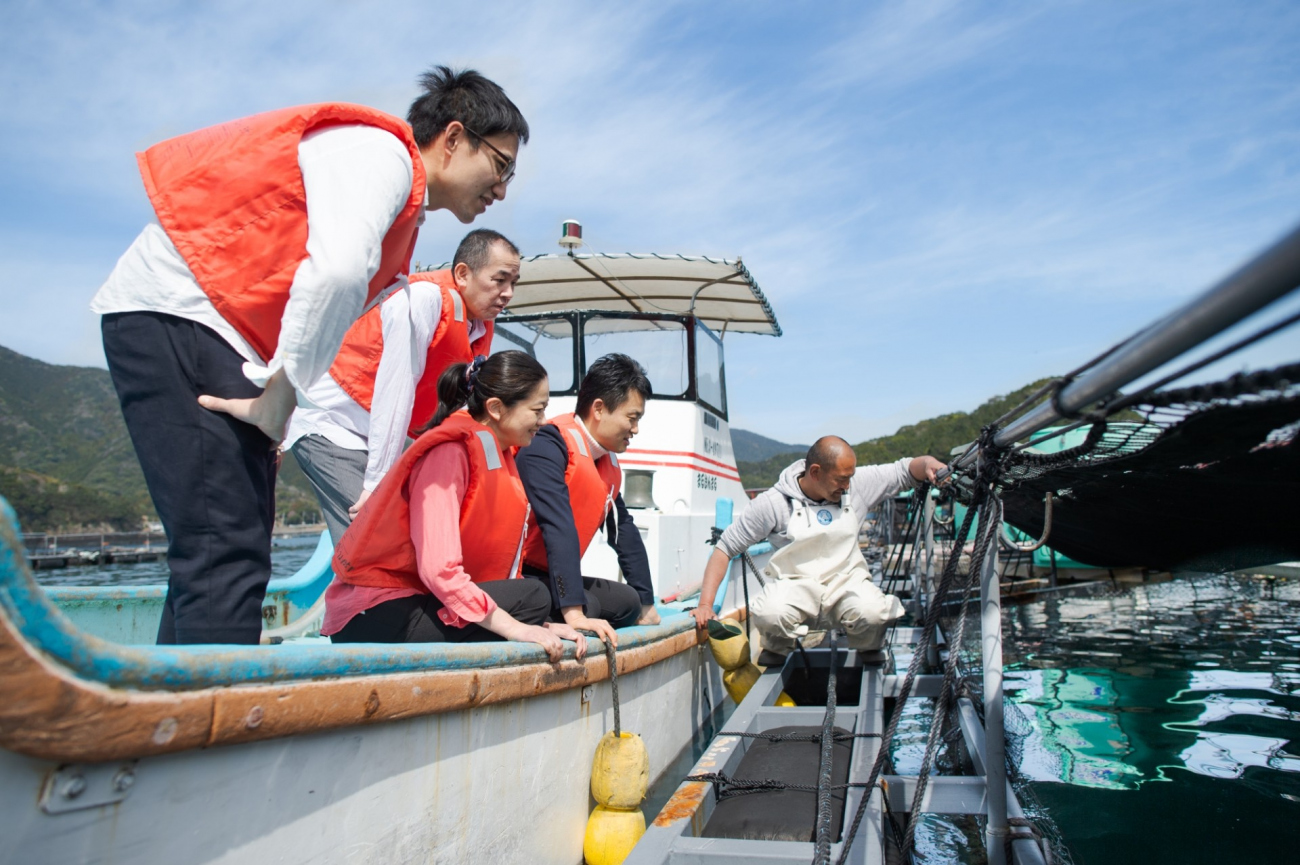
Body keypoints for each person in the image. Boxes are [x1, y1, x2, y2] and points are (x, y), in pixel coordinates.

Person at [91, 66, 528, 644]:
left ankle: (175, 718)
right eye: (500, 166)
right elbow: (340, 271)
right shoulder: (384, 158)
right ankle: (211, 725)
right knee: (226, 548)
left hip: (219, 333)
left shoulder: (407, 213)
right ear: (452, 139)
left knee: (225, 547)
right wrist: (282, 396)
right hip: (186, 311)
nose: (501, 190)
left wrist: (279, 404)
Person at [325, 351, 585, 661]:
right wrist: (517, 628)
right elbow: (439, 571)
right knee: (534, 596)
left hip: (418, 601)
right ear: (497, 408)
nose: (543, 422)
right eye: (537, 410)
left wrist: (538, 626)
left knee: (534, 599)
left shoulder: (497, 455)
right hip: (376, 616)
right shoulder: (448, 453)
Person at [285, 228, 519, 544]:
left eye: (513, 283)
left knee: (412, 538)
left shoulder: (477, 328)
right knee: (374, 541)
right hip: (333, 426)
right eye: (499, 280)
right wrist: (377, 482)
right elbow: (396, 389)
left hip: (380, 437)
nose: (508, 293)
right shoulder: (424, 300)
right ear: (462, 274)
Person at [692, 436, 946, 664]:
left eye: (850, 478)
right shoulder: (773, 504)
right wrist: (706, 604)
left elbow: (903, 470)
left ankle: (867, 645)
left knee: (875, 612)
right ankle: (777, 646)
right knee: (771, 614)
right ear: (815, 472)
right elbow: (724, 548)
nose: (847, 486)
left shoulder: (854, 485)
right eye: (841, 479)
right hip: (796, 585)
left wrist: (927, 464)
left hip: (847, 581)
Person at [515, 354, 661, 647]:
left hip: (551, 578)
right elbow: (557, 525)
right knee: (588, 605)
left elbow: (625, 533)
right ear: (599, 409)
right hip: (519, 576)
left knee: (628, 602)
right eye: (632, 418)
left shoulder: (605, 463)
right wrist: (574, 612)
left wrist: (647, 603)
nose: (635, 430)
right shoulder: (546, 445)